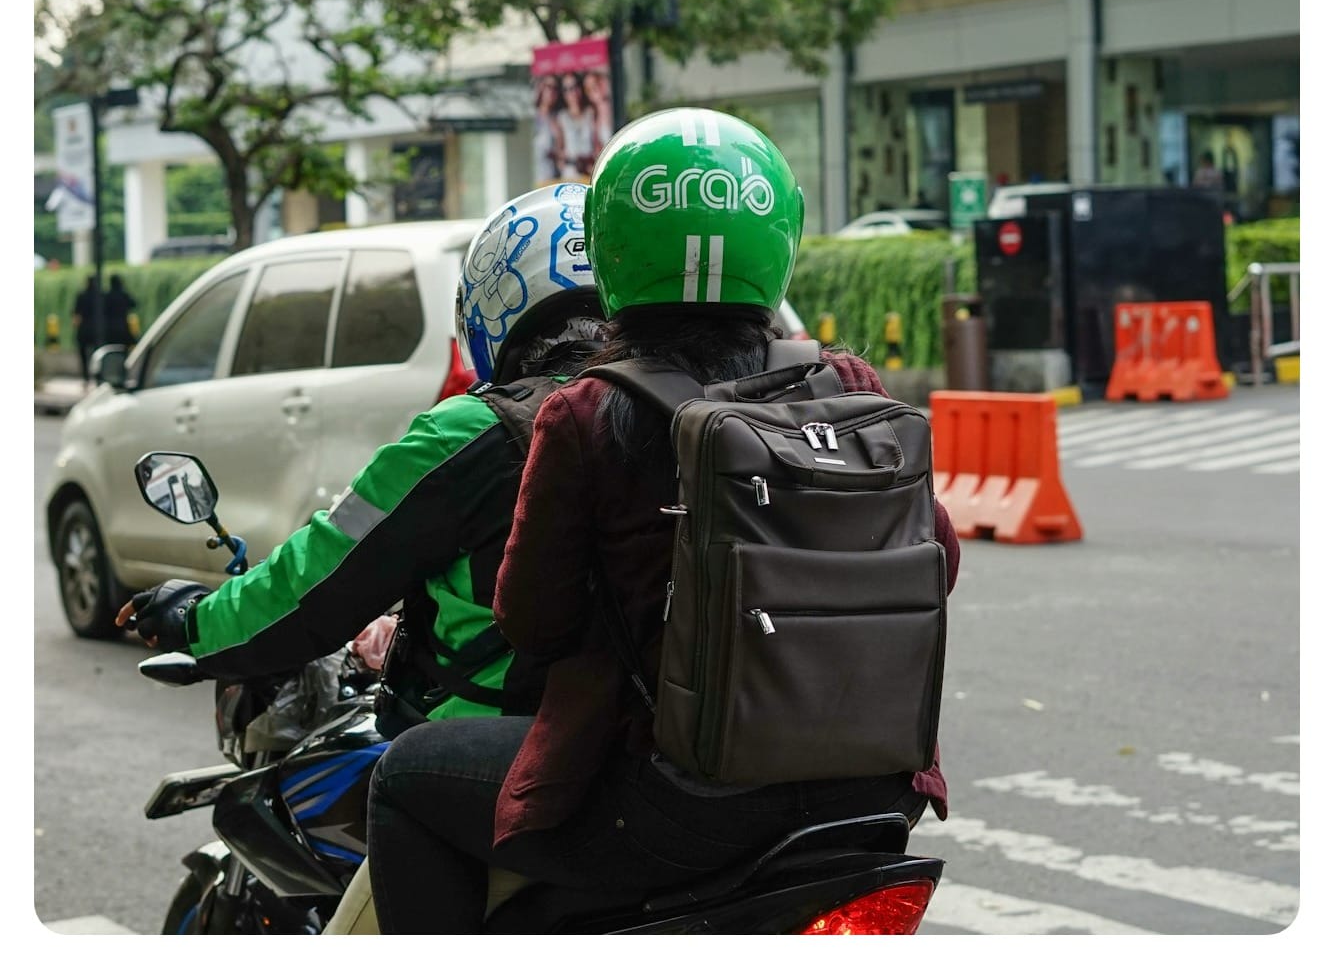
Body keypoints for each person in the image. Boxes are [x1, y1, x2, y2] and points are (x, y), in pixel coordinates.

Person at [366, 108, 960, 934]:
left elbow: (531, 620)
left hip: (678, 804)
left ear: (609, 247)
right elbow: (940, 558)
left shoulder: (586, 411)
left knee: (402, 776)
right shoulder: (846, 382)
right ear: (777, 240)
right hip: (871, 790)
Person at [114, 182, 606, 931]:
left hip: (519, 777)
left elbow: (313, 580)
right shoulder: (704, 413)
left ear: (495, 303)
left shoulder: (473, 433)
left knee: (394, 808)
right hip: (700, 783)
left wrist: (197, 622)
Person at [71, 274, 101, 384]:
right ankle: (97, 377)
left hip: (84, 328)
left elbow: (76, 314)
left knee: (83, 355)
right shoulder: (99, 296)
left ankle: (86, 377)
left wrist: (75, 326)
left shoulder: (81, 295)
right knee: (97, 354)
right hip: (97, 329)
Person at [101, 273, 138, 347]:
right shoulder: (123, 294)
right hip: (123, 326)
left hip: (109, 328)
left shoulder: (107, 296)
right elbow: (134, 304)